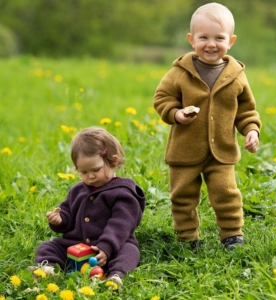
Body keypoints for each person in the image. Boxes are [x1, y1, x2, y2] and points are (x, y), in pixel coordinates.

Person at [153, 2, 261, 250]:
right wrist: (175, 113)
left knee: (227, 194)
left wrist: (252, 130)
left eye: (219, 38)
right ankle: (187, 237)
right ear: (192, 39)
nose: (211, 44)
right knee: (182, 197)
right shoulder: (180, 72)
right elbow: (162, 98)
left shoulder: (236, 75)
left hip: (221, 152)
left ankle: (232, 234)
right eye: (204, 37)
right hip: (184, 151)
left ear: (231, 41)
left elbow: (246, 110)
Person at [30, 126, 146, 285]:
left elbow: (121, 224)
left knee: (129, 251)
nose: (90, 176)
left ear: (114, 161)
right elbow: (68, 214)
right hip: (77, 245)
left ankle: (116, 276)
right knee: (48, 246)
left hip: (110, 247)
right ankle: (48, 268)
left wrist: (106, 247)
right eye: (83, 172)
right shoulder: (77, 190)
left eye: (96, 170)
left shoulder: (123, 192)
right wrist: (60, 220)